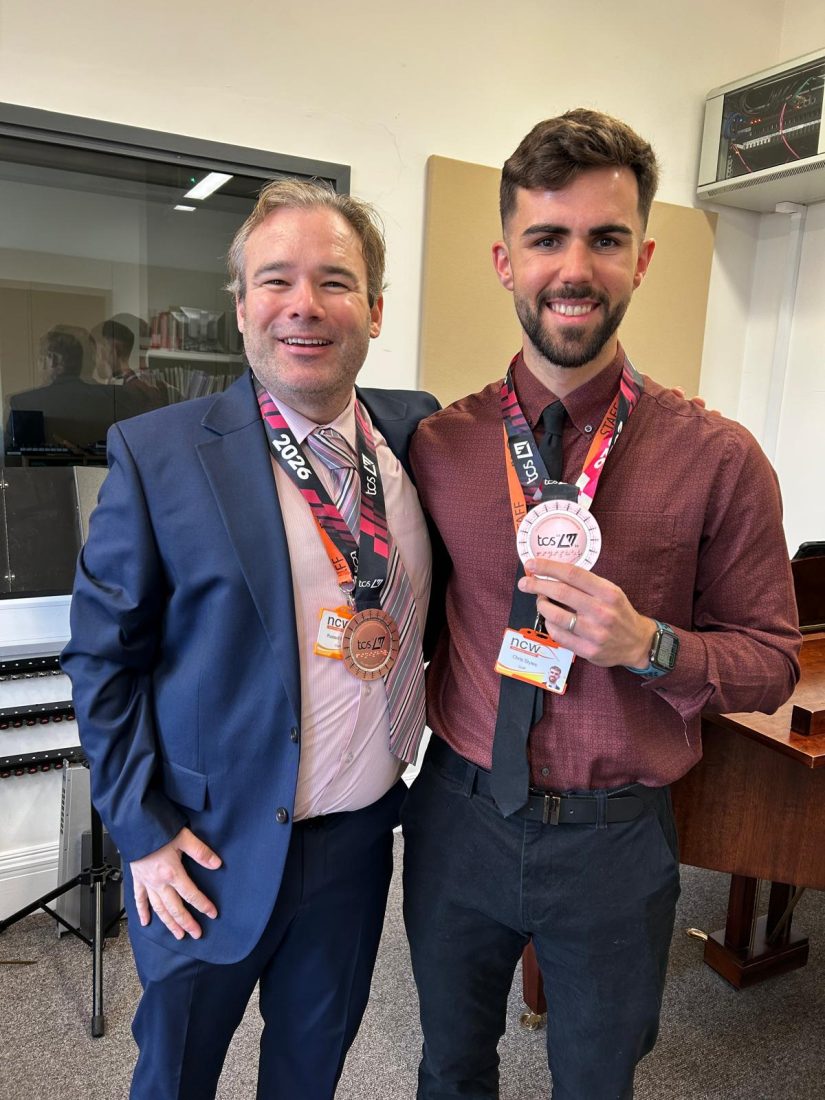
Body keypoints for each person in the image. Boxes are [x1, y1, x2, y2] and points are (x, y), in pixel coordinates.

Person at [402, 108, 801, 1099]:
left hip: (618, 839)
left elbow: (774, 661)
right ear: (504, 258)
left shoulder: (718, 458)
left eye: (605, 237)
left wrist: (651, 642)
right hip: (458, 814)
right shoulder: (438, 449)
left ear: (643, 256)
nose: (573, 267)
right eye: (546, 237)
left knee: (595, 1082)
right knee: (450, 1067)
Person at [62, 178, 437, 1100]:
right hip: (203, 848)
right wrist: (143, 836)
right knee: (175, 1078)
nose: (304, 305)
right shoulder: (156, 452)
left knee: (309, 1077)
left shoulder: (417, 430)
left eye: (335, 281)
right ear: (240, 309)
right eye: (275, 280)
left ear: (376, 309)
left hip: (354, 845)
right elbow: (101, 660)